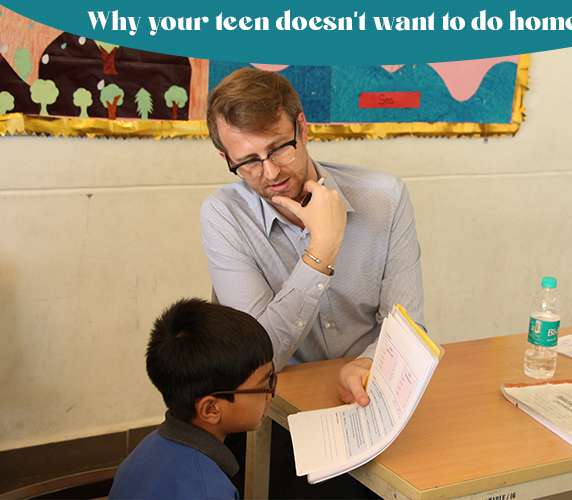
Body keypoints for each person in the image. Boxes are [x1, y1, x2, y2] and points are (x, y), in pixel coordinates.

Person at [201, 67, 425, 407]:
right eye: (248, 162)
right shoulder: (224, 215)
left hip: (366, 391)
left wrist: (368, 362)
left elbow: (407, 327)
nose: (271, 172)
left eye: (278, 149)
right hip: (276, 403)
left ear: (302, 128)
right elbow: (259, 359)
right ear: (226, 159)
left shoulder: (385, 199)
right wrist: (321, 250)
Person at [109, 298, 275, 500]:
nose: (271, 393)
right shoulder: (209, 491)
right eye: (265, 384)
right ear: (211, 409)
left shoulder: (148, 448)